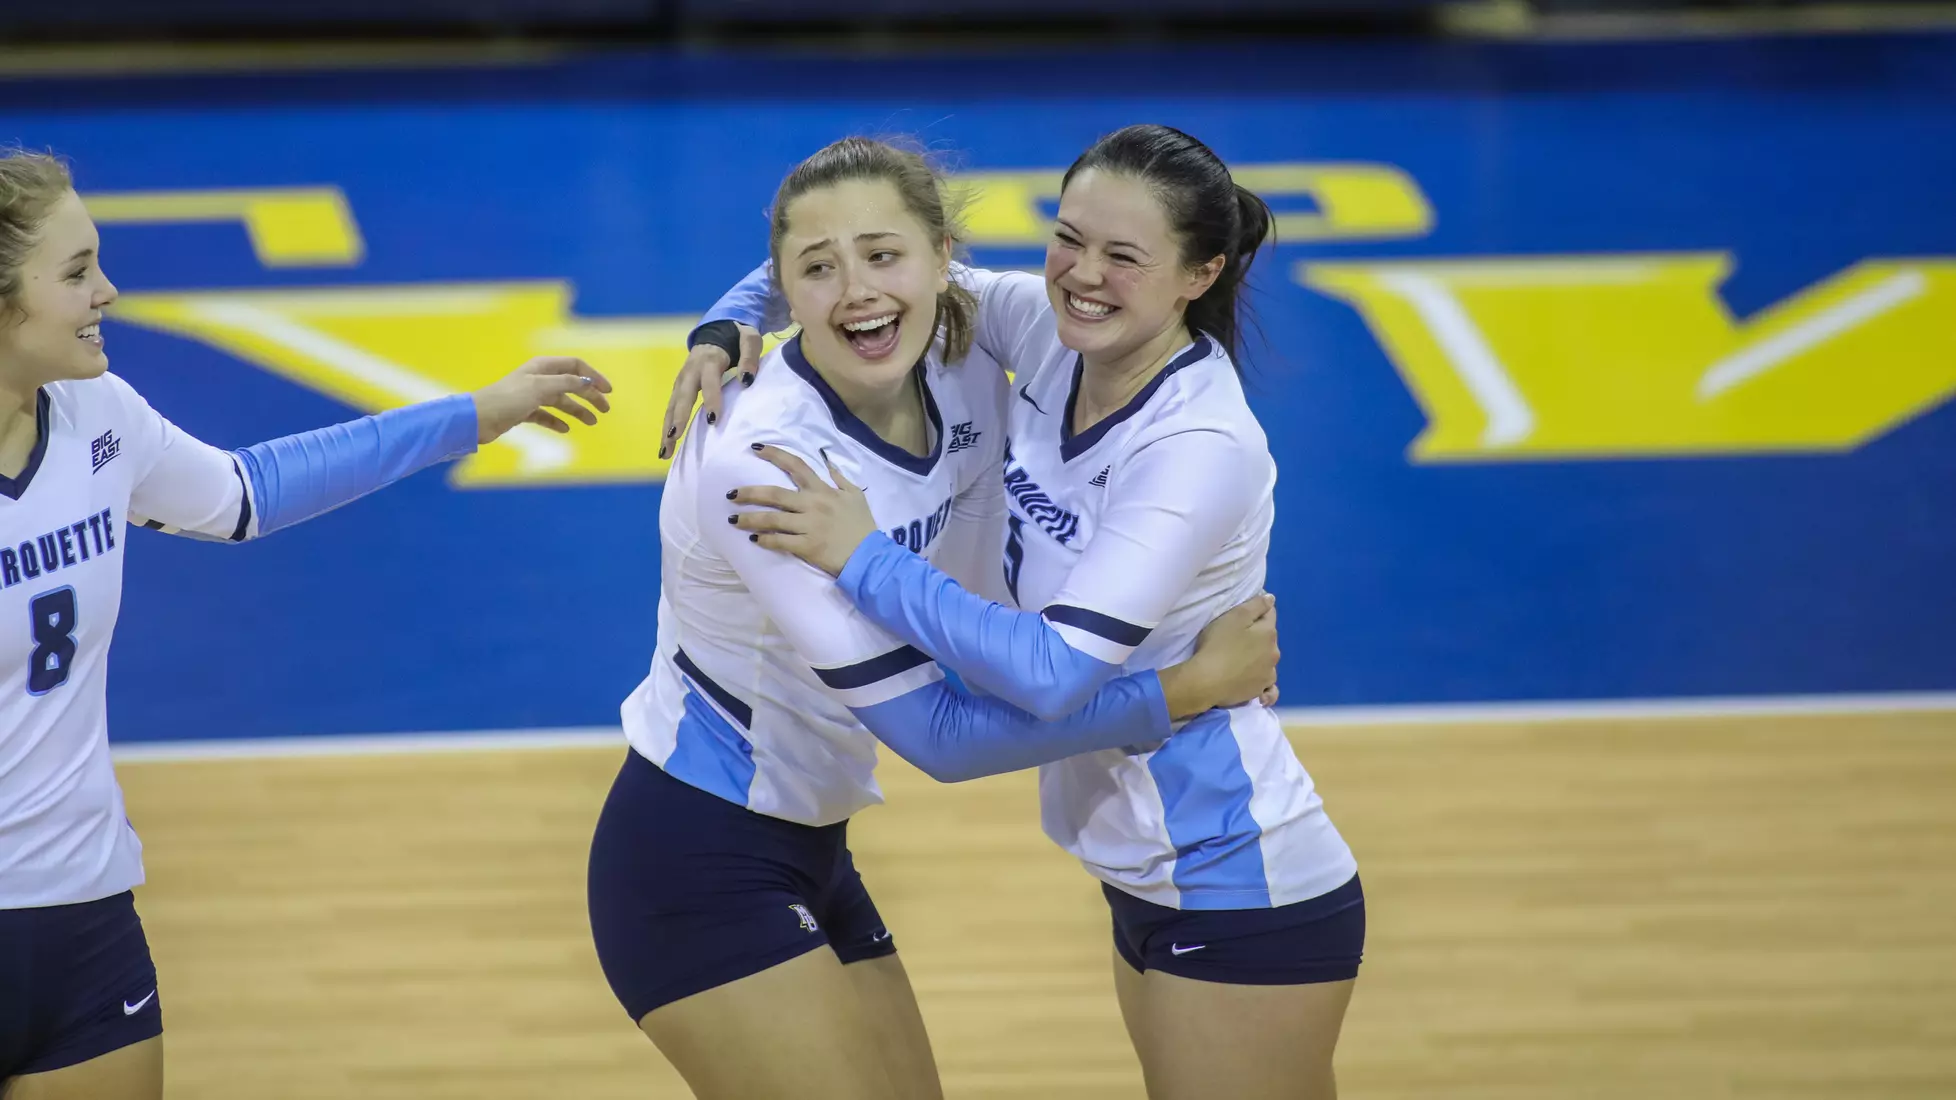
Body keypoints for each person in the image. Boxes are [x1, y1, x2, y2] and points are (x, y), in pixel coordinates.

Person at [675, 123, 1362, 1100]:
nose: (1082, 274)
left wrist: (862, 555)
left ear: (1199, 273)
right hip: (1148, 864)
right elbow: (865, 253)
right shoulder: (1047, 325)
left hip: (1230, 862)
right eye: (1069, 237)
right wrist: (719, 324)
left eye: (1124, 256)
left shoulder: (1200, 441)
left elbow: (1048, 673)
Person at [0, 148, 612, 1100]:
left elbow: (249, 492)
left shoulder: (96, 415)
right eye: (76, 274)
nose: (108, 292)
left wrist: (474, 416)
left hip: (84, 915)